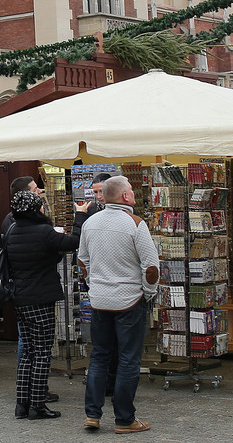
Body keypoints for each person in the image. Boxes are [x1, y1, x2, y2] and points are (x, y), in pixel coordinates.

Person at [78, 176, 159, 435]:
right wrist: (147, 293)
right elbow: (151, 267)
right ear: (125, 197)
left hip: (100, 300)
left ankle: (92, 414)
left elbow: (82, 261)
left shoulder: (90, 223)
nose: (134, 193)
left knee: (100, 357)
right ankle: (124, 418)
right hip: (129, 300)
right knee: (127, 360)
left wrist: (94, 285)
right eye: (132, 190)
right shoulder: (135, 224)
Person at [5, 190, 78, 420]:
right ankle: (37, 405)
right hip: (40, 299)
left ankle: (21, 404)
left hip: (20, 299)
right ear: (36, 208)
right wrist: (81, 217)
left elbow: (40, 257)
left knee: (28, 352)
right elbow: (72, 243)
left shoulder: (11, 231)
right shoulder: (43, 231)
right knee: (43, 353)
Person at [72, 172, 118, 396]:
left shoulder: (125, 215)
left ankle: (111, 383)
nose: (99, 196)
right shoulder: (89, 212)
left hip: (116, 286)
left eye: (102, 191)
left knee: (114, 343)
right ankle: (104, 385)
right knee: (102, 343)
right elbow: (83, 253)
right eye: (96, 192)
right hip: (99, 285)